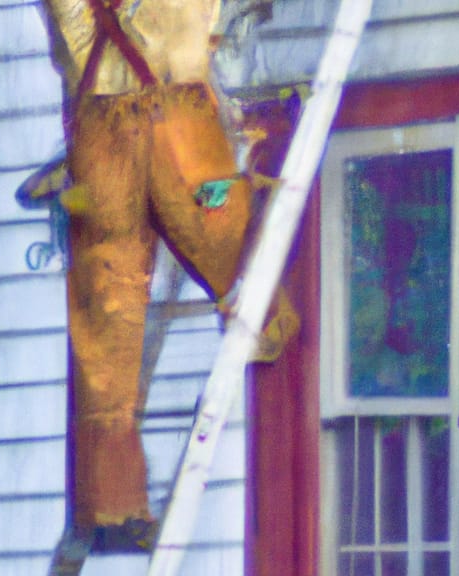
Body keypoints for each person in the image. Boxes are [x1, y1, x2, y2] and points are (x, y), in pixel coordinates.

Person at [33, 0, 296, 552]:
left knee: (107, 318)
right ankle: (266, 327)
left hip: (106, 121)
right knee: (221, 227)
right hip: (168, 111)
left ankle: (114, 505)